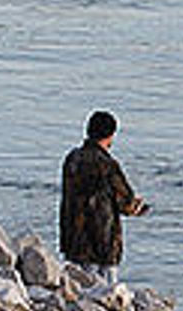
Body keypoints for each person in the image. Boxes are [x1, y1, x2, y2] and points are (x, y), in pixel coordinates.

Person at [59, 109, 147, 279]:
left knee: (80, 291)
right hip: (102, 244)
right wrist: (139, 207)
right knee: (104, 293)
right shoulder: (107, 164)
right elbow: (126, 203)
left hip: (74, 241)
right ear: (111, 135)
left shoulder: (72, 159)